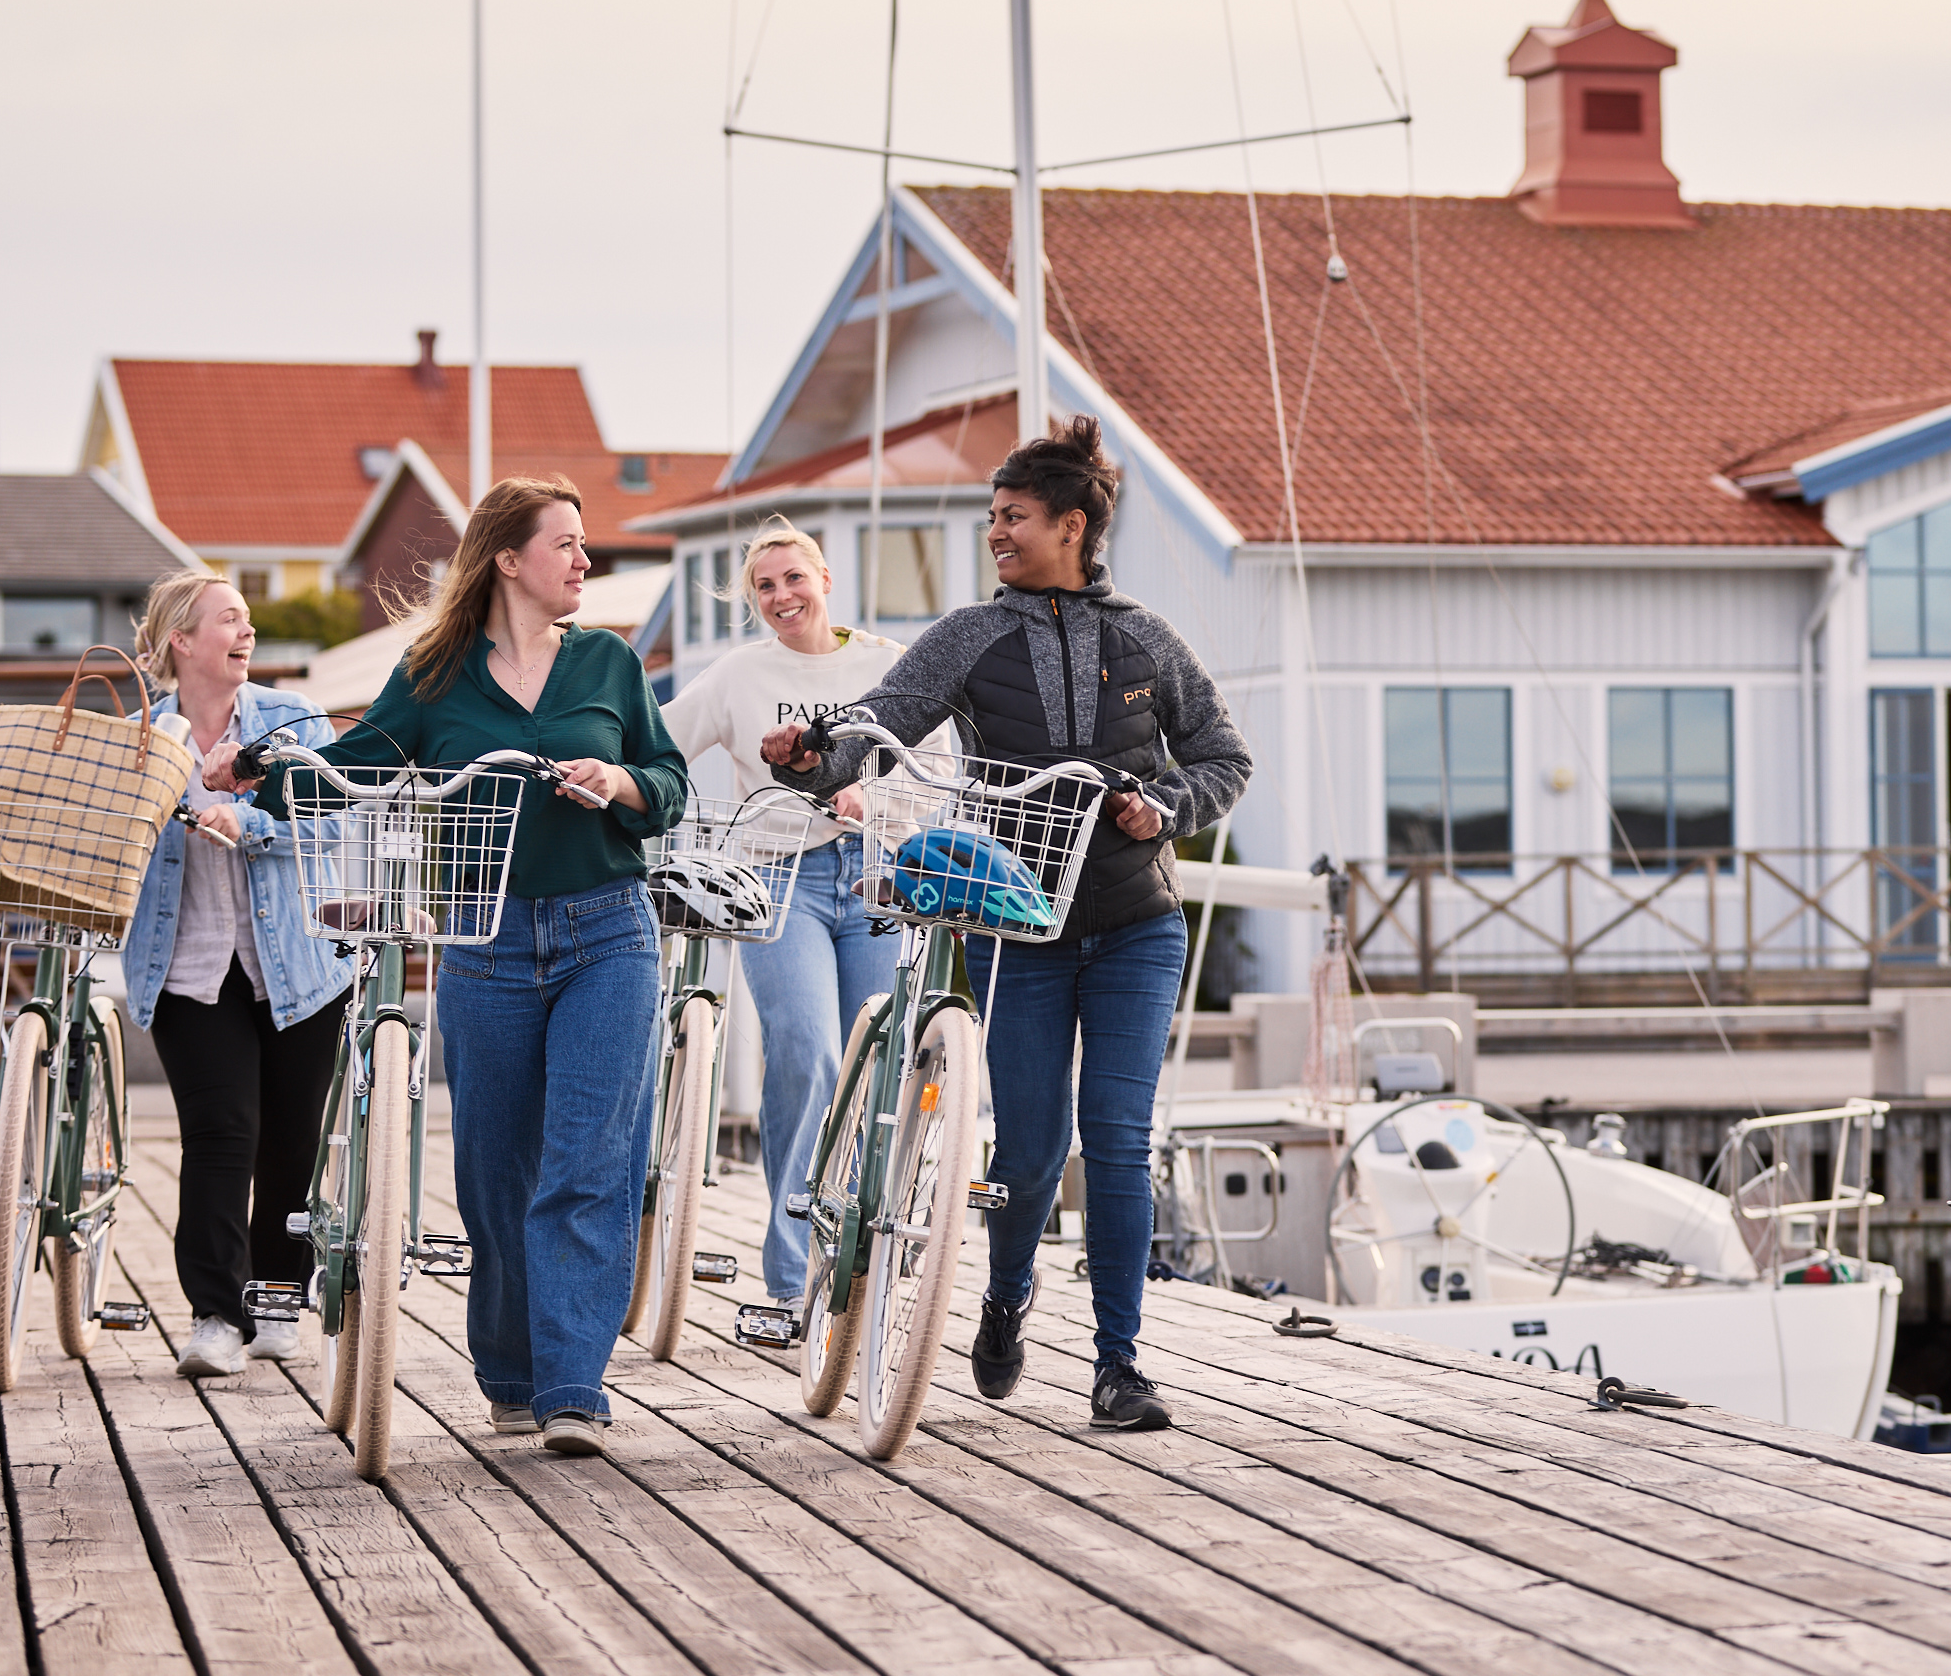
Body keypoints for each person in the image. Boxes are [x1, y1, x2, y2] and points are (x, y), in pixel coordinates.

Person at [764, 417, 1250, 1431]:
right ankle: (1004, 1291)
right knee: (1029, 1152)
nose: (997, 533)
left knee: (1117, 1141)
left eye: (1014, 518)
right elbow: (877, 727)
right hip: (1013, 930)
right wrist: (811, 759)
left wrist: (1163, 807)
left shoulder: (1148, 640)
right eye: (993, 517)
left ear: (1073, 526)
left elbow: (1222, 760)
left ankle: (1121, 1368)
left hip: (1136, 925)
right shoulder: (968, 636)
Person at [272, 475, 687, 1458]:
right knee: (496, 1174)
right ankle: (510, 1372)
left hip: (609, 935)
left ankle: (574, 1388)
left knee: (587, 1166)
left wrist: (622, 779)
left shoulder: (611, 665)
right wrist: (260, 771)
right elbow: (361, 764)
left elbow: (669, 782)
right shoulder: (436, 672)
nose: (586, 561)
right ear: (509, 560)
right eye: (569, 545)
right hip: (483, 944)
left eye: (586, 546)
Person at [0, 574, 355, 1382]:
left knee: (291, 1137)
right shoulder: (137, 739)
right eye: (228, 620)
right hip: (186, 965)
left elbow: (330, 814)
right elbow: (55, 814)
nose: (245, 632)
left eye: (248, 620)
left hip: (300, 965)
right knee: (222, 1134)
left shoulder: (293, 721)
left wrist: (245, 819)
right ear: (181, 639)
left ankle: (279, 1295)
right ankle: (217, 1312)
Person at [659, 520, 920, 1320]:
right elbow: (660, 742)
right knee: (806, 1050)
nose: (781, 597)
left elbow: (936, 766)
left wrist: (872, 795)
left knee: (878, 1060)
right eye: (764, 587)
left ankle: (870, 1254)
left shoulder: (884, 664)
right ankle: (788, 1269)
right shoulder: (738, 674)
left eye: (792, 579)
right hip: (778, 877)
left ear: (825, 579)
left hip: (876, 873)